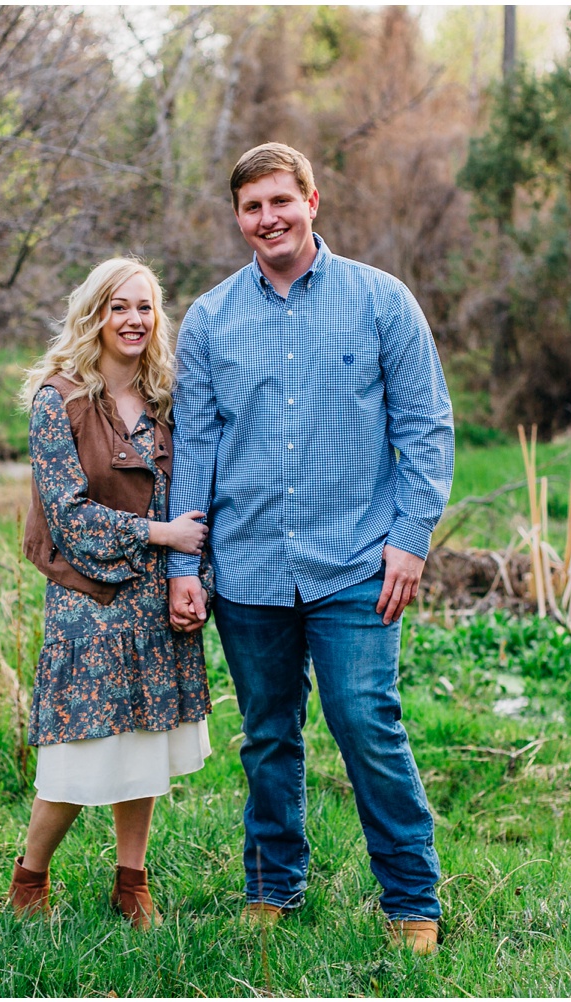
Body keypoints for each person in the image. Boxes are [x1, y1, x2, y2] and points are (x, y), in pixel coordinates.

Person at [167, 143, 454, 954]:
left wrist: (410, 537)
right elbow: (195, 446)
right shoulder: (213, 320)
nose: (269, 219)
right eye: (252, 207)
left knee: (366, 722)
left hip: (358, 562)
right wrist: (183, 565)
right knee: (267, 731)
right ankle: (273, 884)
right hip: (251, 566)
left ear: (313, 201)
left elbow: (425, 426)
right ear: (238, 218)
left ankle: (411, 899)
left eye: (281, 202)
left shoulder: (380, 302)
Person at [11, 257, 213, 930]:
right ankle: (30, 878)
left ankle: (132, 882)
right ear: (94, 315)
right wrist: (161, 534)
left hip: (157, 596)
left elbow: (194, 500)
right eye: (118, 307)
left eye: (145, 307)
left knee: (146, 747)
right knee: (79, 754)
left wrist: (194, 577)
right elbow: (68, 517)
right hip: (90, 599)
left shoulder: (167, 400)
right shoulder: (57, 399)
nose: (132, 320)